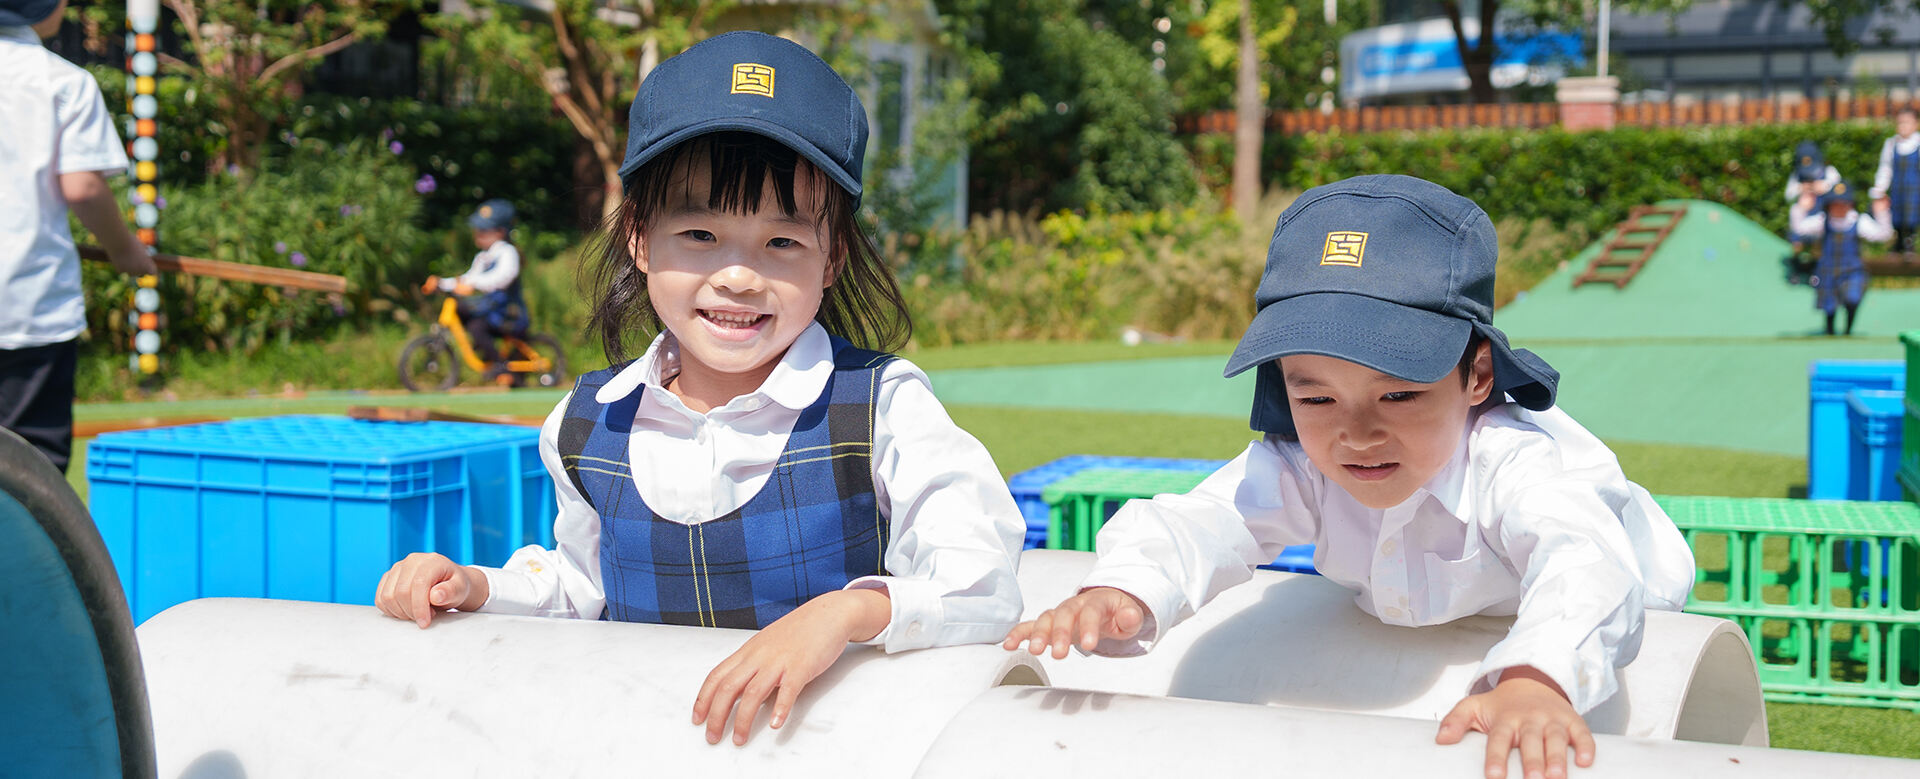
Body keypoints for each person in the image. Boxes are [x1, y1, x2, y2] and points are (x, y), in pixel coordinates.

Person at [374, 31, 1024, 747]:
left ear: (832, 255)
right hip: (644, 750)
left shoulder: (884, 406)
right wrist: (472, 586)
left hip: (834, 755)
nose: (739, 275)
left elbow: (982, 582)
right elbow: (583, 588)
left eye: (782, 242)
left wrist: (844, 614)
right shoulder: (588, 425)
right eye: (700, 234)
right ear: (641, 240)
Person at [1004, 175, 1695, 779]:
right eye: (1316, 397)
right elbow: (1205, 518)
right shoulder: (1307, 461)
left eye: (1398, 395)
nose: (1357, 432)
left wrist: (1536, 675)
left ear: (1478, 374)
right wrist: (1123, 585)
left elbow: (1585, 561)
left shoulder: (1517, 463)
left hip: (1629, 585)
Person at [0, 0, 157, 473]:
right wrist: (126, 251)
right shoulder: (61, 82)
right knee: (31, 478)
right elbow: (83, 186)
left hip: (28, 304)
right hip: (27, 306)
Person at [422, 198, 524, 379]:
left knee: (477, 327)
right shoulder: (483, 257)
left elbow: (502, 277)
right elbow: (468, 278)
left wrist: (473, 285)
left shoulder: (508, 252)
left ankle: (500, 365)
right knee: (464, 311)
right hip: (491, 309)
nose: (478, 234)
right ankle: (485, 350)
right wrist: (441, 283)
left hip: (507, 312)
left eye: (484, 230)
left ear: (500, 232)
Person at [1793, 181, 1891, 336]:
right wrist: (1802, 207)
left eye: (1843, 203)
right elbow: (1799, 228)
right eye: (1835, 204)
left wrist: (1882, 212)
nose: (1839, 207)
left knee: (1852, 298)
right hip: (1828, 269)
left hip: (1852, 269)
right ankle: (1830, 330)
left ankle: (1848, 330)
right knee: (1829, 305)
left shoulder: (1859, 221)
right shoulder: (1822, 221)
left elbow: (1883, 234)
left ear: (1850, 204)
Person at [1869, 108, 1920, 262]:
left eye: (1907, 122)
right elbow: (1885, 168)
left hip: (1915, 188)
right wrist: (1880, 189)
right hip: (1898, 187)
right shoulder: (1891, 144)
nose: (1903, 126)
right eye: (1900, 122)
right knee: (1897, 213)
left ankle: (1909, 242)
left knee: (1912, 214)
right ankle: (1898, 242)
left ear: (1916, 124)